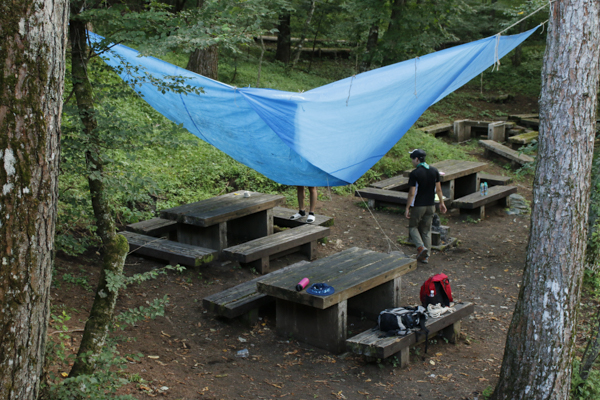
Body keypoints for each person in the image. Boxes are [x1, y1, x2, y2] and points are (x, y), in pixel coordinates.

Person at [404, 149, 447, 264]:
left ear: (417, 159)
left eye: (413, 159)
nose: (412, 162)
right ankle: (426, 256)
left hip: (418, 205)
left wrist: (408, 207)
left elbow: (412, 193)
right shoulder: (434, 171)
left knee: (413, 227)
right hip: (431, 205)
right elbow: (438, 189)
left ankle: (420, 247)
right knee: (426, 230)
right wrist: (442, 203)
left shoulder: (415, 173)